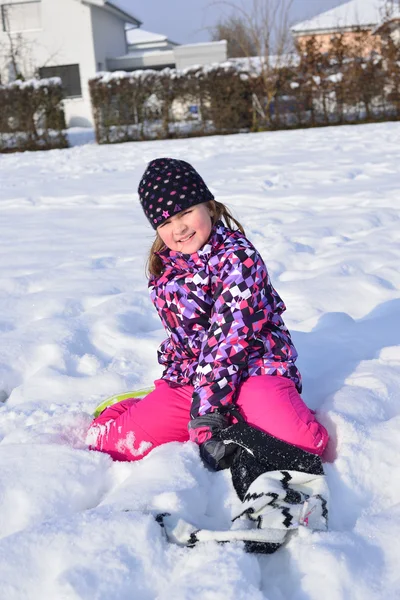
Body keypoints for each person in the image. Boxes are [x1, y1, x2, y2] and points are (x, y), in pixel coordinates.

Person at [87, 158, 329, 468]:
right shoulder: (167, 269)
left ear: (209, 207)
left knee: (305, 446)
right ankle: (134, 406)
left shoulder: (238, 257)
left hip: (255, 369)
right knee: (113, 445)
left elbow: (228, 339)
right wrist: (203, 411)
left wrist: (207, 416)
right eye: (166, 222)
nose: (179, 228)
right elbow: (184, 341)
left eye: (186, 212)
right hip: (195, 381)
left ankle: (236, 414)